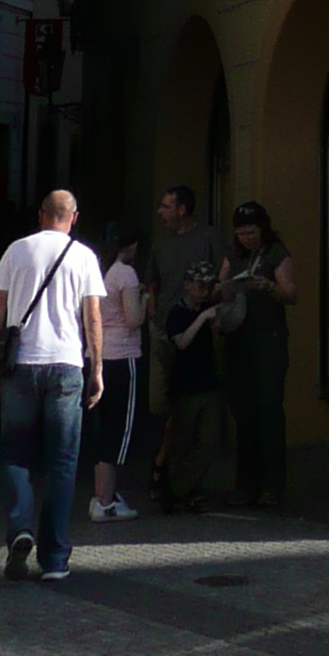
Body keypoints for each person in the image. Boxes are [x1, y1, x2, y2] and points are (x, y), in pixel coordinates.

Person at [0, 187, 106, 584]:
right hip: (67, 366)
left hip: (21, 365)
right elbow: (93, 318)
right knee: (62, 462)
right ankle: (54, 559)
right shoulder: (85, 256)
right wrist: (97, 368)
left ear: (41, 215)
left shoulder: (17, 250)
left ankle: (20, 528)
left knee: (15, 455)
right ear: (73, 217)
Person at [143, 184, 223, 507]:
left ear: (182, 209)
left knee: (192, 407)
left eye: (166, 206)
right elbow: (152, 282)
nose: (160, 212)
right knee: (165, 406)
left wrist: (214, 307)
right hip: (165, 332)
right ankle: (168, 470)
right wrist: (151, 311)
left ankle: (169, 476)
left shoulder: (208, 238)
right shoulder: (161, 244)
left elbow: (224, 271)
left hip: (200, 330)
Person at [219, 200, 296, 509]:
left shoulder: (276, 253)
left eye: (251, 232)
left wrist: (268, 287)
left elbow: (291, 294)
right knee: (243, 412)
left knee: (268, 410)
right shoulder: (233, 254)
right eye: (241, 233)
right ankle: (245, 485)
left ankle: (272, 486)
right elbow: (220, 284)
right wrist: (223, 288)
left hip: (269, 340)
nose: (246, 238)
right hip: (238, 339)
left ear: (263, 229)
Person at [86, 222, 146, 521]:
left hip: (97, 355)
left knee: (103, 426)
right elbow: (134, 319)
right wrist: (146, 300)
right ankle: (106, 501)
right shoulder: (125, 273)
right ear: (133, 246)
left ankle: (101, 496)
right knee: (119, 430)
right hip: (123, 355)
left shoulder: (97, 269)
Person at [164, 262, 229, 507]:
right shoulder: (178, 313)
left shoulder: (210, 308)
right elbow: (181, 343)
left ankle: (180, 488)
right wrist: (202, 318)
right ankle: (180, 491)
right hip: (186, 387)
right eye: (201, 285)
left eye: (209, 286)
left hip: (209, 383)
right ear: (188, 285)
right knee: (183, 443)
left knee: (210, 441)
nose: (204, 290)